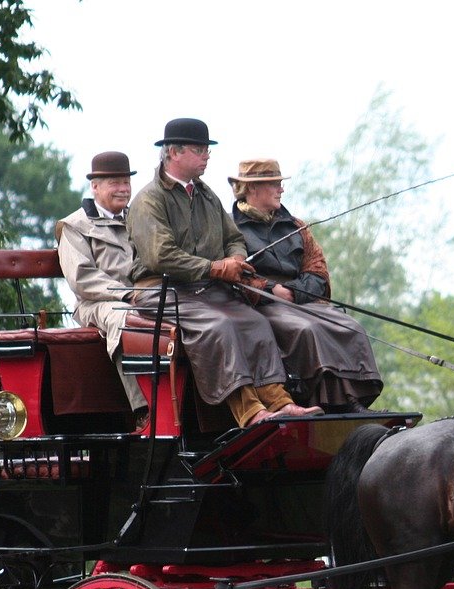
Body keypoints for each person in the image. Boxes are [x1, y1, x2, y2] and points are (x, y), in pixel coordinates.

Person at [127, 118, 320, 427]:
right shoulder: (149, 200)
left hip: (207, 290)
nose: (206, 156)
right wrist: (215, 268)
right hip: (161, 291)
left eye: (207, 150)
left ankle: (280, 402)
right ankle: (251, 413)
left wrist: (236, 260)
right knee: (221, 326)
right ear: (173, 152)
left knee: (255, 321)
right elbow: (160, 256)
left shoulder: (207, 196)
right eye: (199, 150)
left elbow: (234, 238)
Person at [228, 158, 382, 412]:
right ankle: (321, 402)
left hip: (301, 300)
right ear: (252, 188)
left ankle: (350, 400)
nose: (281, 189)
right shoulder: (230, 228)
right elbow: (234, 272)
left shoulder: (296, 226)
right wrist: (270, 290)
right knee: (307, 330)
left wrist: (295, 292)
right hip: (260, 305)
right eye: (274, 184)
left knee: (350, 326)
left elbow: (317, 268)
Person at [55, 150, 149, 427]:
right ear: (95, 187)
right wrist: (126, 294)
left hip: (144, 296)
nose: (123, 189)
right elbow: (83, 278)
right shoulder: (74, 226)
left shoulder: (141, 220)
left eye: (126, 182)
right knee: (125, 318)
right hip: (96, 303)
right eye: (114, 183)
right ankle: (144, 408)